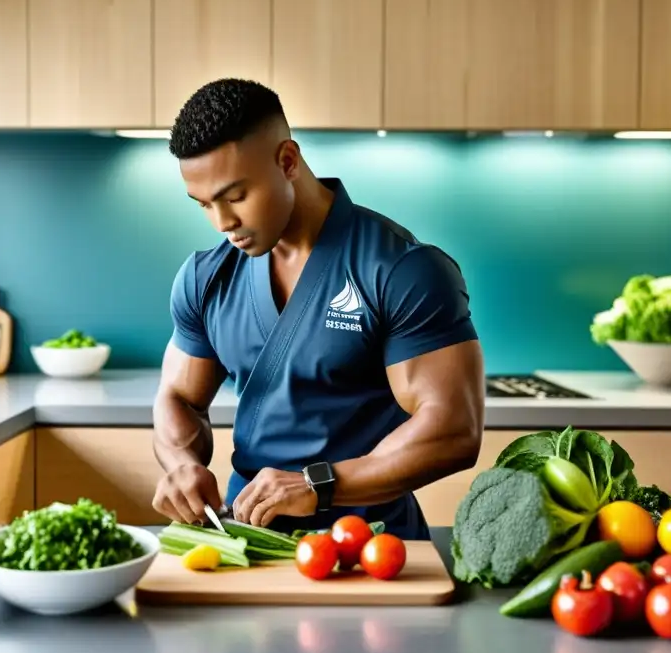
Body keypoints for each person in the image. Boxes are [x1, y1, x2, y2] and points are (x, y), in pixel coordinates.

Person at [150, 78, 485, 541]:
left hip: (371, 545)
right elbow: (179, 397)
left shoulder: (401, 269)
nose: (223, 223)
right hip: (246, 539)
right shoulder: (206, 278)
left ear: (287, 161)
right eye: (204, 204)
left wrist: (318, 485)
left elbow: (453, 427)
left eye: (235, 196)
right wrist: (182, 466)